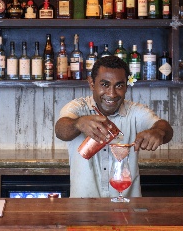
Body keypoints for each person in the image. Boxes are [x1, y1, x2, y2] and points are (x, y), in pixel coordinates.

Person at [55, 55, 173, 198]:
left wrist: (158, 132)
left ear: (126, 86)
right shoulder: (78, 107)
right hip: (83, 207)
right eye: (105, 84)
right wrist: (78, 123)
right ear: (92, 83)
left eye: (119, 85)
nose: (112, 93)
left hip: (127, 207)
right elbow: (61, 130)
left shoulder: (135, 111)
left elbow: (164, 127)